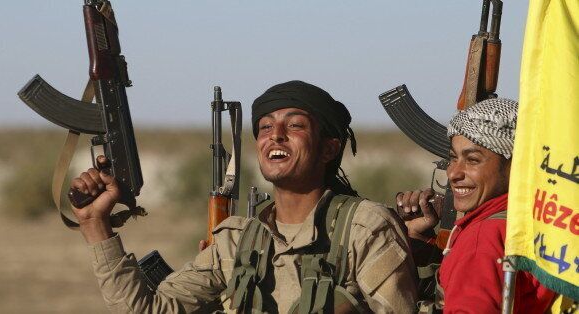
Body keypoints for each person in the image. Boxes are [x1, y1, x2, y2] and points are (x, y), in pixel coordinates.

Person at [71, 80, 418, 313]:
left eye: (295, 126)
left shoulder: (366, 228)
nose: (276, 136)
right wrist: (95, 224)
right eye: (265, 127)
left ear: (329, 148)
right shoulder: (238, 239)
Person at [396, 98, 556, 313]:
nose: (453, 173)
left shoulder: (485, 236)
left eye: (472, 160)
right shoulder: (541, 218)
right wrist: (420, 241)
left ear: (516, 165)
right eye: (453, 158)